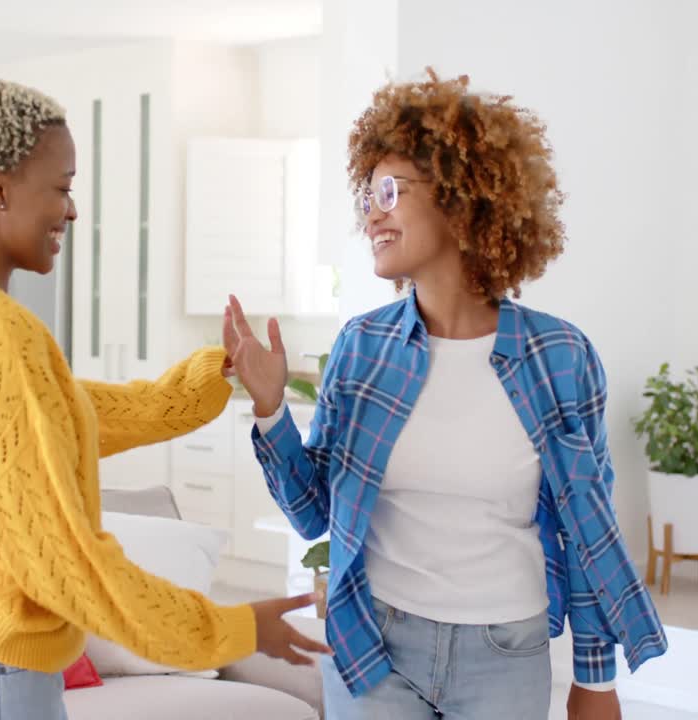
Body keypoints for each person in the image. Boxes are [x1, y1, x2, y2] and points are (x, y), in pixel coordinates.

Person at [0, 78, 329, 720]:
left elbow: (57, 416)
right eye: (60, 187)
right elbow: (68, 563)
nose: (72, 211)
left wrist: (210, 376)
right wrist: (230, 628)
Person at [224, 70, 667, 719]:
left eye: (389, 190)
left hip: (505, 653)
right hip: (374, 649)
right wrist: (270, 412)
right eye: (366, 194)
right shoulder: (362, 349)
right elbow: (316, 512)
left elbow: (588, 532)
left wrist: (594, 683)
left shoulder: (560, 359)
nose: (371, 211)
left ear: (461, 200)